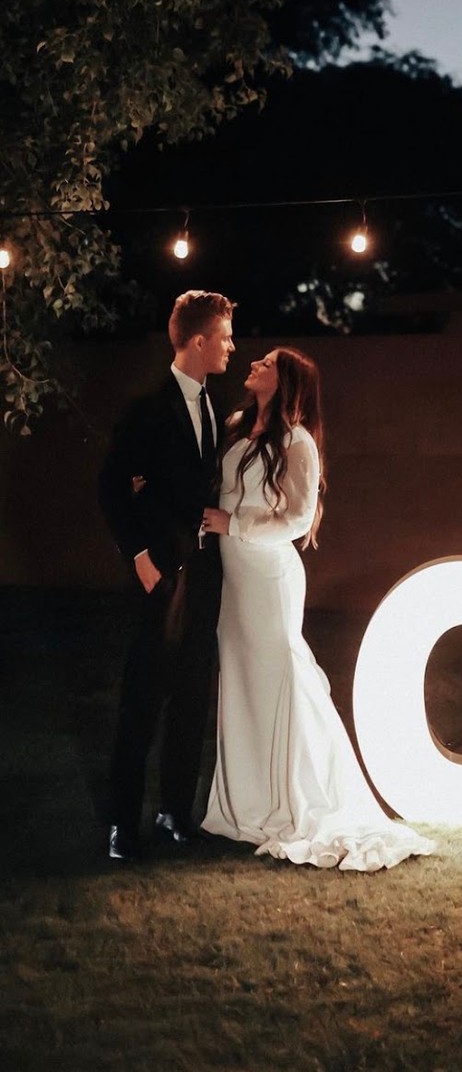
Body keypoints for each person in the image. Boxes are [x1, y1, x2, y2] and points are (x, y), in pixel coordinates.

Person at [200, 347, 434, 871]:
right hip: (233, 579)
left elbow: (299, 519)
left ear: (284, 382)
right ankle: (249, 803)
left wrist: (234, 525)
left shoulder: (298, 441)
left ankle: (302, 798)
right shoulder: (237, 426)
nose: (254, 364)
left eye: (266, 363)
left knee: (281, 673)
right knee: (241, 679)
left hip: (269, 578)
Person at [98, 290, 236, 862]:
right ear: (198, 341)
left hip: (204, 576)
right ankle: (120, 827)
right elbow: (111, 487)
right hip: (162, 578)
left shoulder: (214, 405)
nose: (231, 346)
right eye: (225, 336)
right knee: (141, 702)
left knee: (190, 701)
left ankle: (174, 814)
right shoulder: (147, 410)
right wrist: (141, 560)